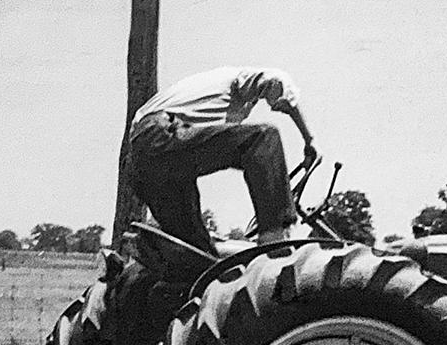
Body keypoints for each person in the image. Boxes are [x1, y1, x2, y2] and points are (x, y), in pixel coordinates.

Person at [127, 66, 317, 255]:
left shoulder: (199, 96)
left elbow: (223, 148)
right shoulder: (238, 78)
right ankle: (274, 238)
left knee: (197, 254)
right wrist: (309, 140)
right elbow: (278, 81)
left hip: (142, 163)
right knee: (263, 138)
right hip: (160, 135)